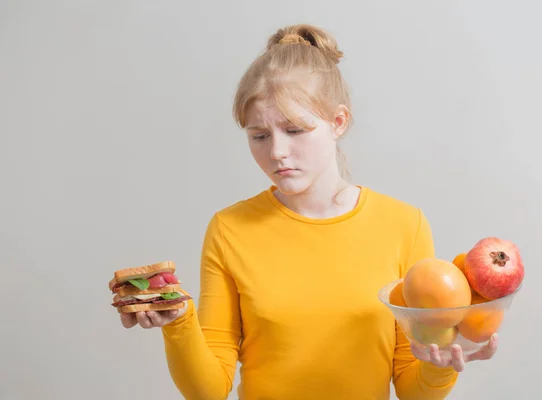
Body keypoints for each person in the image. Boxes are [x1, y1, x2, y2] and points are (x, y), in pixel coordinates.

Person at [119, 23, 499, 400]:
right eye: (259, 136)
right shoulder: (229, 229)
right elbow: (209, 391)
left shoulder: (404, 226)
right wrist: (179, 322)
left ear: (338, 123)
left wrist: (440, 363)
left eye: (295, 130)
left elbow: (413, 390)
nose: (277, 152)